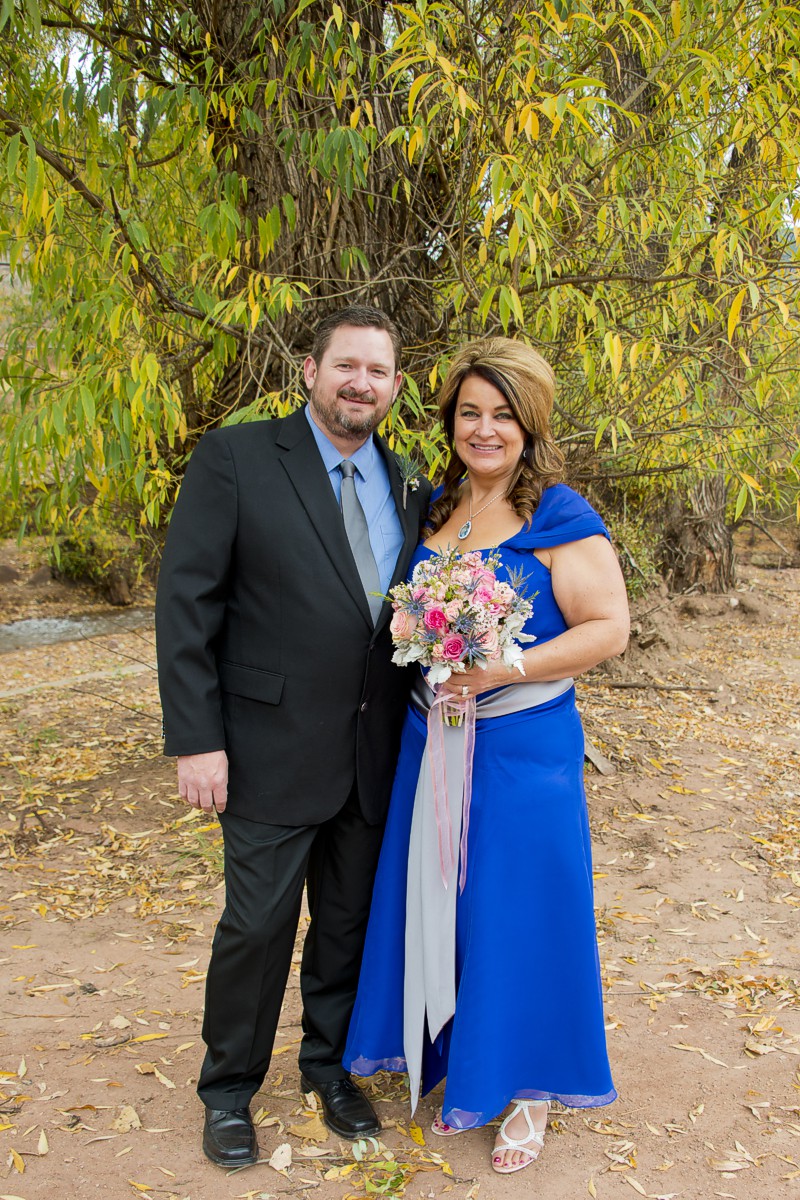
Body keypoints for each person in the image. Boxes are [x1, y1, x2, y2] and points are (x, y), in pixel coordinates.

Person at [343, 336, 630, 1174]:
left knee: (523, 908)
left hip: (522, 744)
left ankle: (532, 1086)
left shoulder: (559, 515)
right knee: (445, 899)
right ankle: (462, 1063)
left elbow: (609, 629)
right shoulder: (436, 508)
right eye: (470, 412)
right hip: (432, 738)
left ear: (530, 424)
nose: (484, 429)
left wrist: (506, 665)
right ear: (450, 421)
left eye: (503, 415)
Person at [155, 305, 432, 1168]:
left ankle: (327, 1070)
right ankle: (229, 1089)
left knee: (347, 923)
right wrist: (195, 740)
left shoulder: (411, 483)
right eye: (346, 366)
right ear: (309, 372)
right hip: (265, 748)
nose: (362, 384)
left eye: (378, 372)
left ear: (393, 386)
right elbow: (187, 605)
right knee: (258, 926)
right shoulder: (236, 458)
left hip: (371, 754)